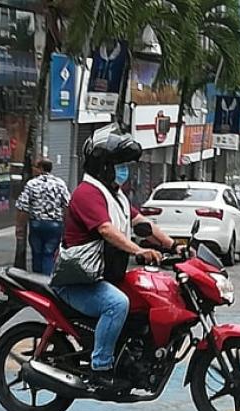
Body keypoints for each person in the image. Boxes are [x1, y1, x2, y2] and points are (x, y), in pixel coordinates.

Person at [53, 125, 178, 389]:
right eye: (119, 165)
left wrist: (173, 245)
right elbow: (106, 230)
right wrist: (139, 250)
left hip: (102, 275)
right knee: (116, 304)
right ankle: (100, 368)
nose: (124, 171)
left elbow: (141, 221)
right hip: (78, 282)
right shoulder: (87, 194)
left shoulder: (115, 195)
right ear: (104, 166)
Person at [14, 159, 71, 275]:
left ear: (41, 168)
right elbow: (67, 205)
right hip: (55, 224)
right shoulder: (60, 183)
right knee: (49, 254)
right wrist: (67, 225)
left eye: (35, 167)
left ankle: (36, 280)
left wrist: (20, 226)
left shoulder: (32, 184)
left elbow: (23, 207)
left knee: (37, 253)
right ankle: (46, 281)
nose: (33, 169)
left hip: (37, 223)